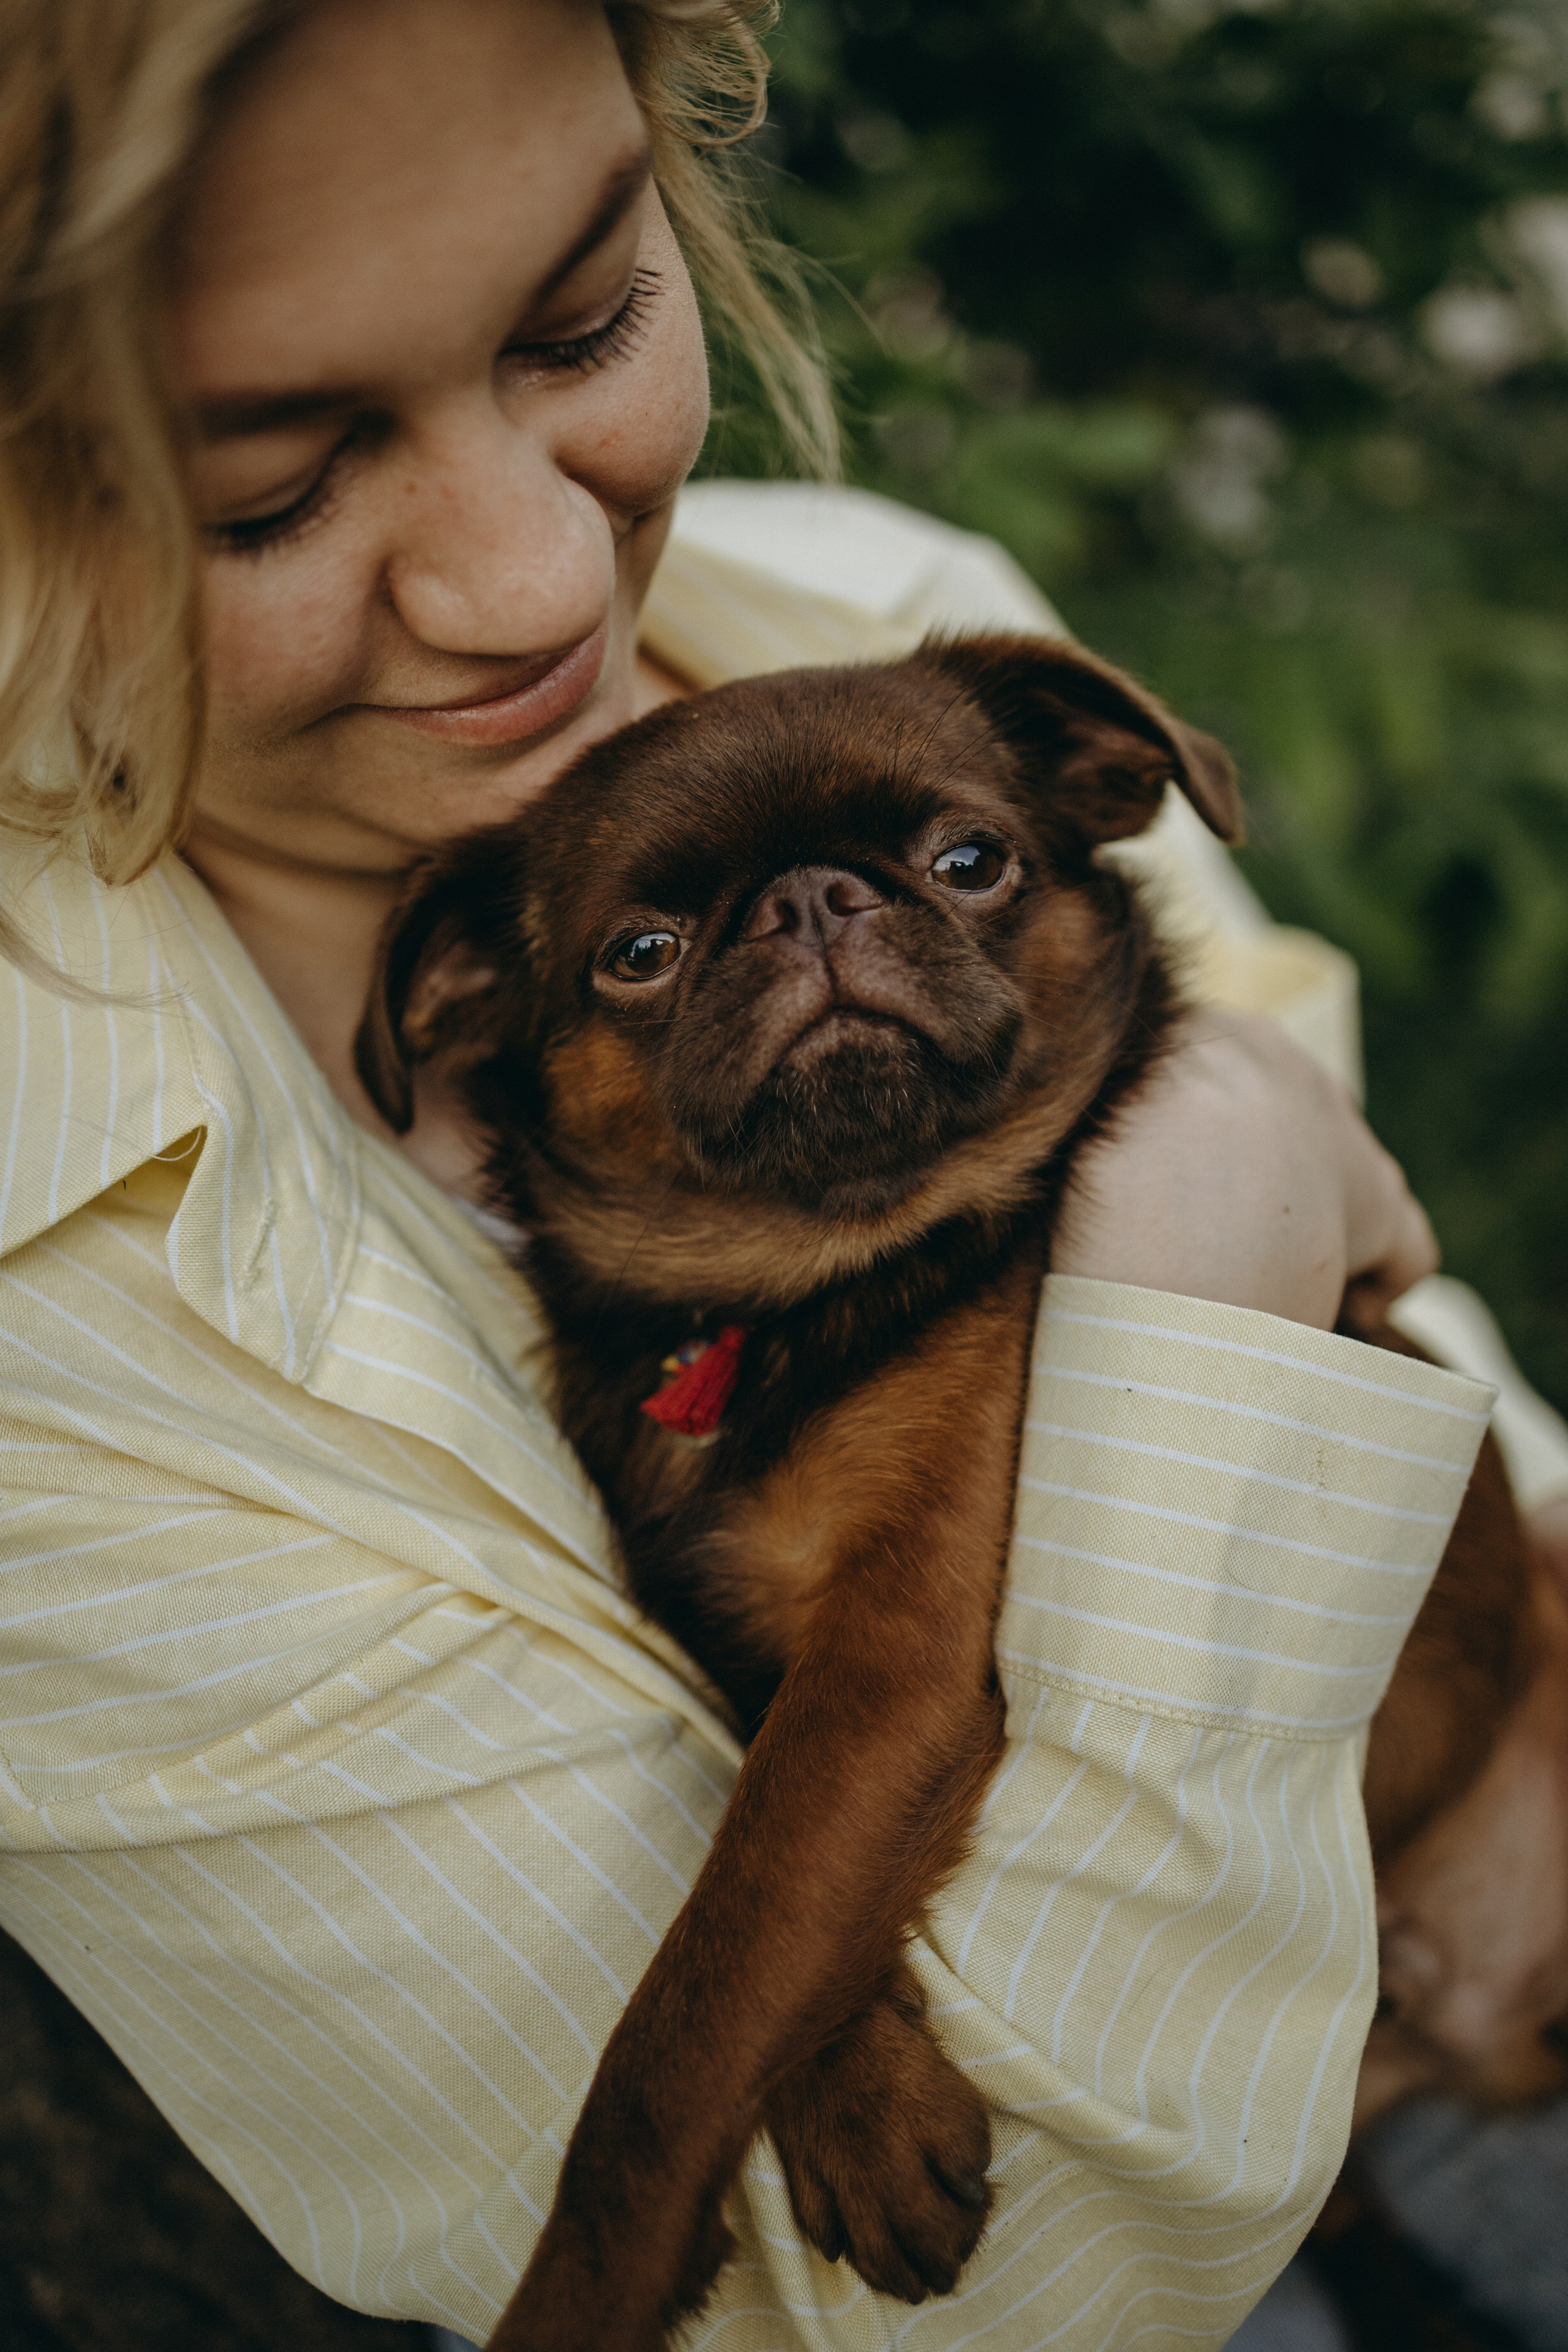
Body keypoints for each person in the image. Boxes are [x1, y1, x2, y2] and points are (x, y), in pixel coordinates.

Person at [1, 3, 1558, 2345]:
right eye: (271, 492)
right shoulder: (55, 1325)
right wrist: (1209, 1293)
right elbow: (919, 2304)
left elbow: (1488, 1433)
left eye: (585, 321)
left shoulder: (856, 602)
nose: (541, 585)